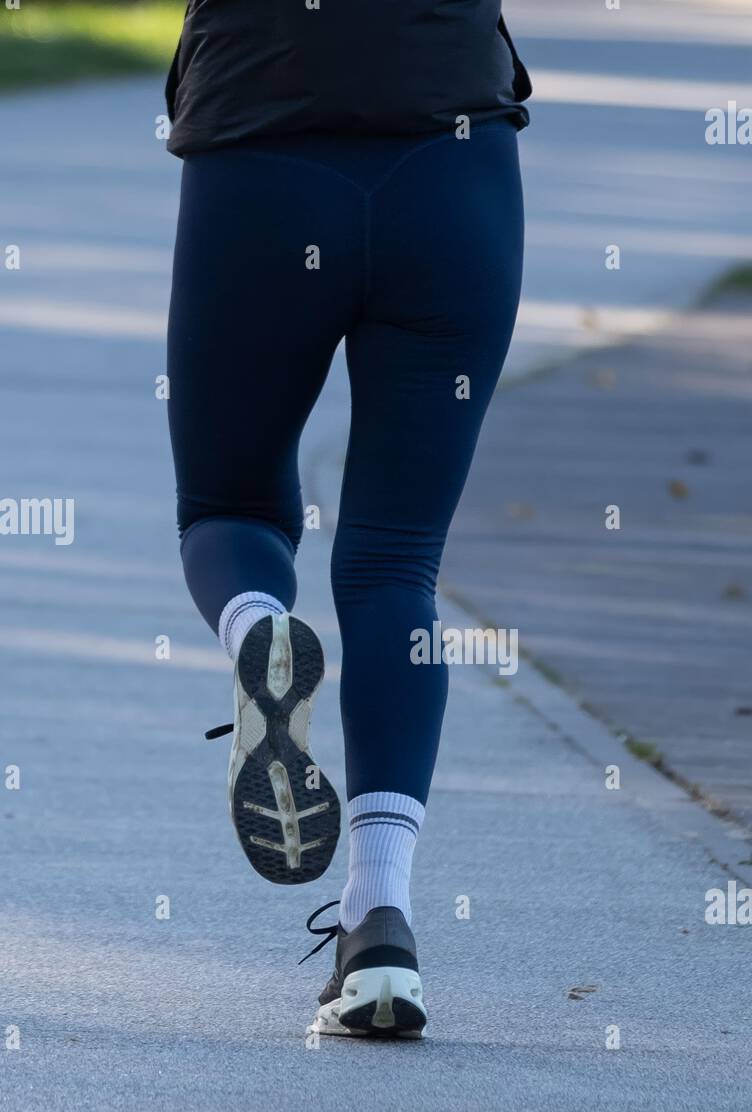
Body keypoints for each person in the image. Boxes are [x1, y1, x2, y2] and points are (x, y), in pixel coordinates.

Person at [165, 0, 531, 1038]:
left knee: (230, 505)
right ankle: (381, 925)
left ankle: (255, 633)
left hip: (262, 153)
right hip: (451, 162)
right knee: (394, 563)